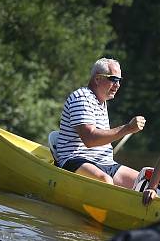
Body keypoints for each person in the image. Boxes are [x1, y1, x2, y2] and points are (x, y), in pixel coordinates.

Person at [54, 57, 146, 188]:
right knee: (105, 181)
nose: (118, 85)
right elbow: (90, 139)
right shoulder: (81, 97)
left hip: (105, 162)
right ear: (97, 79)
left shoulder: (102, 101)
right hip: (75, 160)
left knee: (144, 183)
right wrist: (128, 128)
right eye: (113, 79)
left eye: (119, 80)